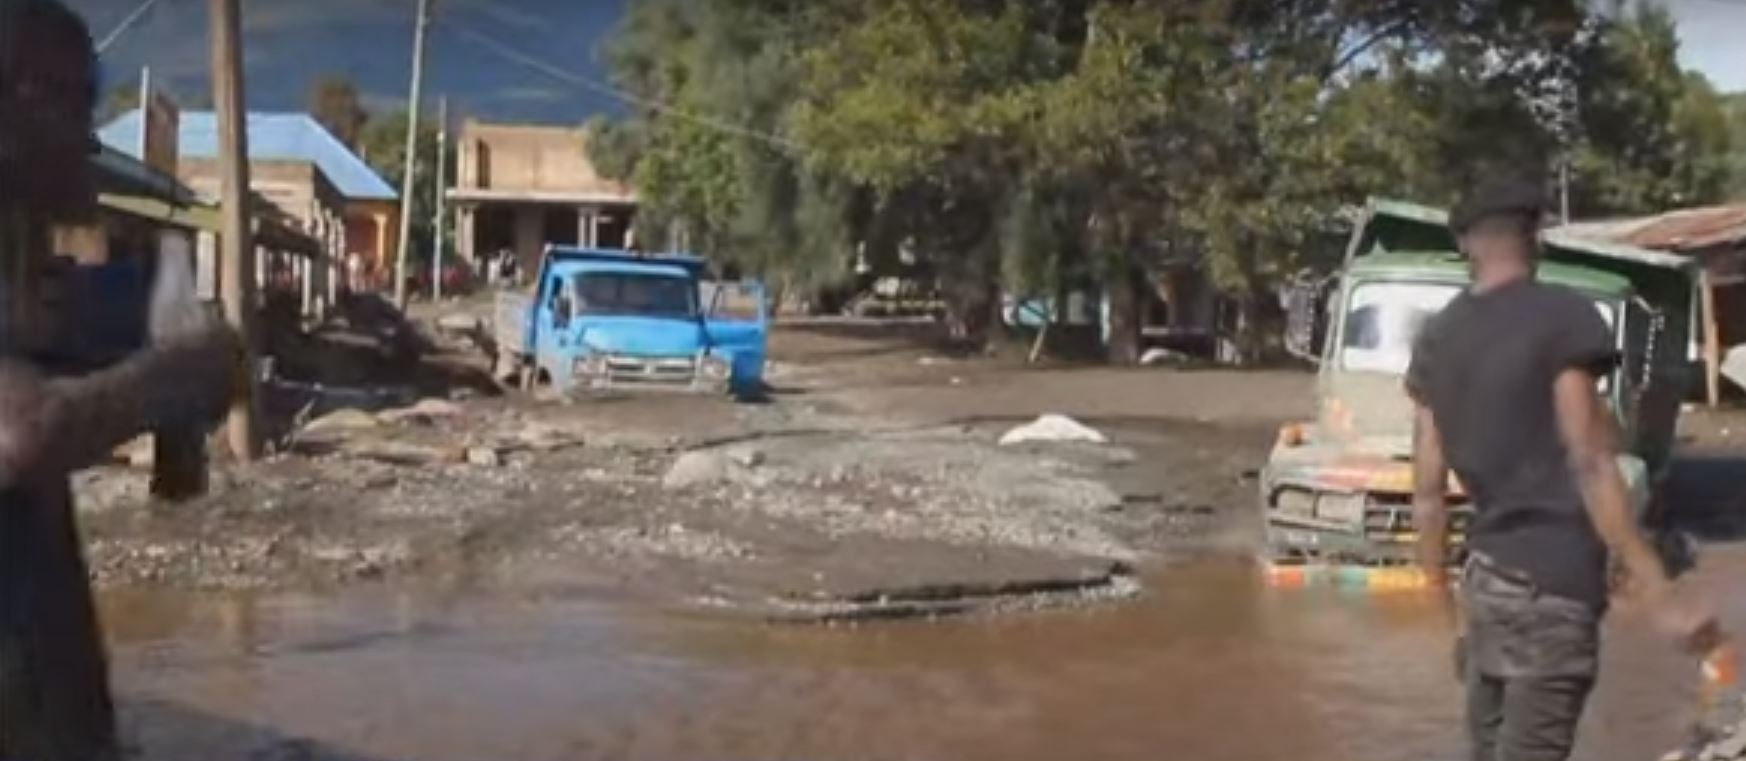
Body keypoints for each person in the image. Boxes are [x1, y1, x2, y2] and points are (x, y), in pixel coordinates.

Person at [1407, 178, 1718, 761]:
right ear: (1537, 238)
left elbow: (1426, 491)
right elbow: (1592, 462)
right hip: (1552, 589)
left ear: (1466, 245)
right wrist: (1661, 592)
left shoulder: (1438, 337)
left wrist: (1448, 618)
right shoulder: (1563, 320)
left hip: (1484, 587)